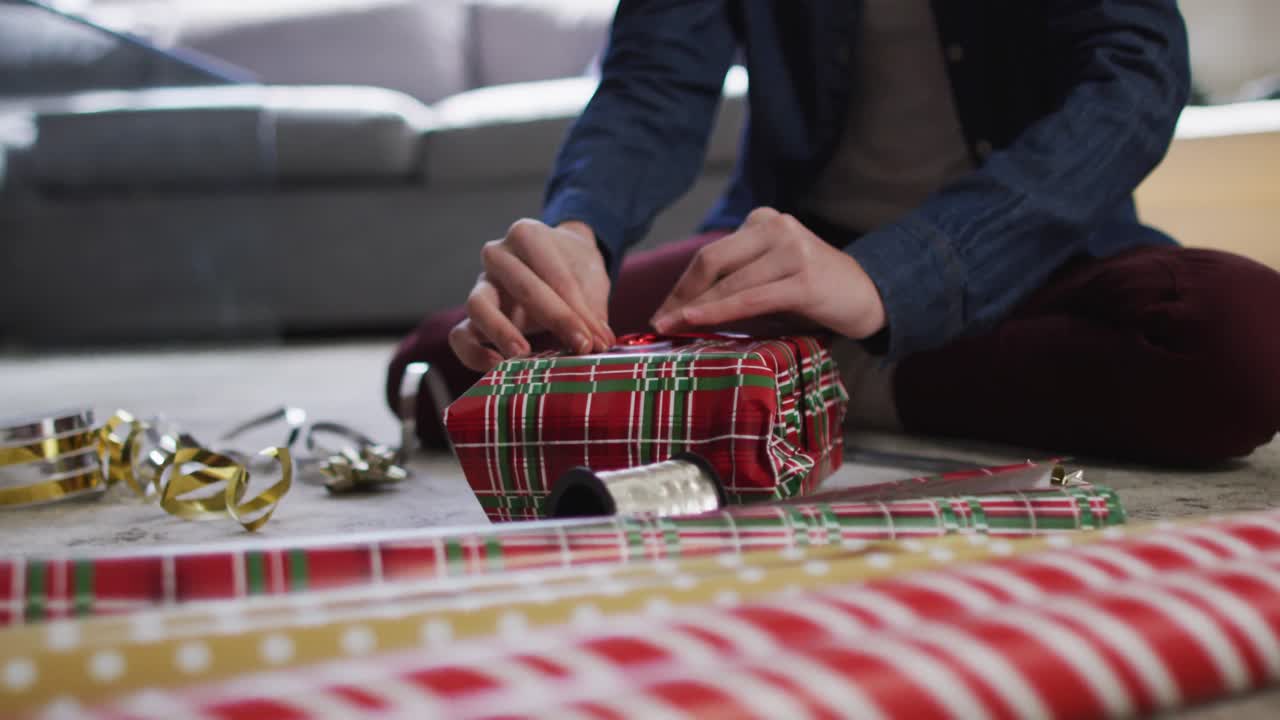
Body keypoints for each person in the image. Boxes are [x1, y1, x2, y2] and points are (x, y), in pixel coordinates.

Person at [389, 0, 1280, 465]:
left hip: (1029, 253)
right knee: (454, 366)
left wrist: (896, 282)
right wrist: (581, 230)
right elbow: (655, 79)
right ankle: (801, 373)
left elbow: (1134, 77)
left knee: (1245, 347)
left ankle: (802, 377)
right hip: (780, 269)